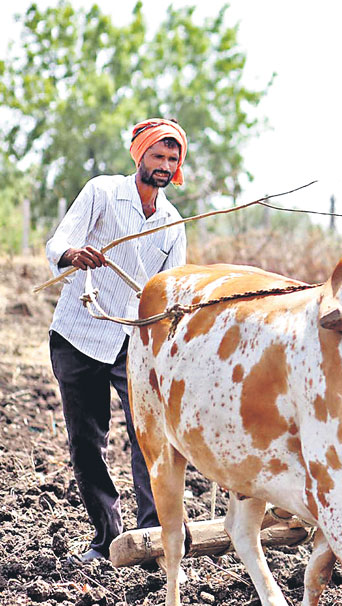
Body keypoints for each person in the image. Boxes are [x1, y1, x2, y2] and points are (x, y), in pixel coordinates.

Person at [45, 118, 190, 565]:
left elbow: (173, 289)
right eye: (157, 157)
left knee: (151, 437)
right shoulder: (102, 193)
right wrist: (74, 255)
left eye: (172, 159)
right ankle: (106, 537)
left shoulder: (173, 222)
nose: (164, 166)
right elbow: (60, 242)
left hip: (135, 342)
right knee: (88, 443)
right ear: (139, 156)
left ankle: (153, 536)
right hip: (80, 331)